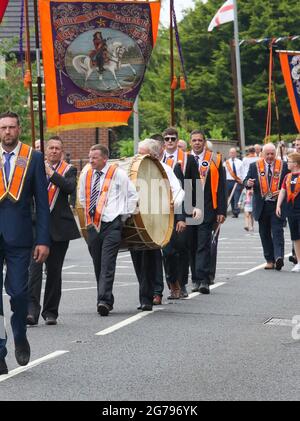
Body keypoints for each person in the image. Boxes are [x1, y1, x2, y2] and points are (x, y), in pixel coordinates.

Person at [0, 112, 50, 375]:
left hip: (21, 239)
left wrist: (43, 239)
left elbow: (41, 203)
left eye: (11, 127)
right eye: (3, 128)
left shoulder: (33, 157)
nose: (7, 132)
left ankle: (20, 334)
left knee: (19, 294)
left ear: (19, 129)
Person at [27, 136, 81, 326]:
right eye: (51, 148)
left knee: (54, 271)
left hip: (59, 228)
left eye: (57, 148)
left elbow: (69, 188)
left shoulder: (69, 169)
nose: (54, 151)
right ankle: (31, 311)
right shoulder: (34, 166)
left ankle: (50, 312)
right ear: (45, 150)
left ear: (62, 151)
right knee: (33, 271)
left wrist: (51, 173)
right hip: (36, 225)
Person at [79, 145, 138, 316]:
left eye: (94, 157)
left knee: (107, 263)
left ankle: (103, 301)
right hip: (93, 225)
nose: (91, 160)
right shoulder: (86, 175)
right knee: (98, 263)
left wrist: (124, 216)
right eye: (90, 157)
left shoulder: (117, 173)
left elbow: (132, 195)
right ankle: (106, 298)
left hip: (112, 224)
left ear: (105, 158)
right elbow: (82, 197)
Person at [131, 139, 184, 310]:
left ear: (153, 156)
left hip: (156, 219)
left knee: (153, 255)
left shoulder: (165, 170)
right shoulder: (132, 169)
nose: (138, 156)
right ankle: (144, 290)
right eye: (138, 152)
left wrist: (171, 205)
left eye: (142, 153)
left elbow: (179, 192)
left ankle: (156, 292)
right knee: (137, 256)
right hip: (136, 219)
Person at [161, 127, 201, 299]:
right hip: (163, 210)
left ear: (178, 141)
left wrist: (197, 207)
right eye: (167, 138)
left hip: (184, 208)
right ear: (163, 141)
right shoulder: (158, 159)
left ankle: (182, 283)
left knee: (182, 248)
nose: (170, 141)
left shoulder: (188, 159)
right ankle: (172, 283)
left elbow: (195, 184)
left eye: (173, 138)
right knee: (167, 251)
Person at [189, 130, 227, 294]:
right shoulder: (185, 159)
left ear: (204, 142)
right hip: (188, 208)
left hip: (208, 206)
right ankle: (195, 279)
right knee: (191, 245)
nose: (197, 143)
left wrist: (221, 210)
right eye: (194, 140)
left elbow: (222, 187)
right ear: (190, 142)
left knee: (203, 244)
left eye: (200, 140)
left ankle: (204, 280)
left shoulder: (215, 159)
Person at [244, 143, 288, 270]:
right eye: (267, 154)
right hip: (261, 205)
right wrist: (248, 183)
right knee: (264, 233)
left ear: (276, 154)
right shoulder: (254, 166)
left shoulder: (283, 166)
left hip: (277, 205)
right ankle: (269, 259)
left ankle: (279, 257)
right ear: (262, 154)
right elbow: (246, 181)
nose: (269, 156)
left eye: (272, 154)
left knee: (277, 231)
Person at [276, 153, 300, 272]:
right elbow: (283, 191)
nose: (287, 163)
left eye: (289, 161)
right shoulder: (287, 177)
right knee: (295, 237)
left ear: (295, 164)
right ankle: (299, 261)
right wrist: (278, 205)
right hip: (291, 210)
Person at [224, 147, 243, 218]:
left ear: (236, 154)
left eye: (234, 153)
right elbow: (224, 173)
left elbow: (242, 172)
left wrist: (242, 181)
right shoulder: (225, 163)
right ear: (229, 154)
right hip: (228, 181)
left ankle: (236, 211)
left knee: (236, 196)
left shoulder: (240, 162)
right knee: (231, 197)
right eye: (231, 153)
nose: (232, 154)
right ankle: (233, 211)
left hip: (237, 181)